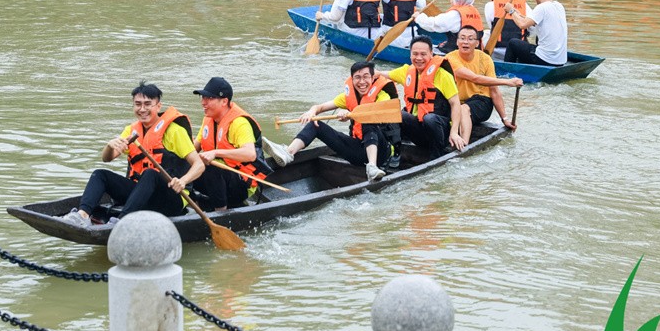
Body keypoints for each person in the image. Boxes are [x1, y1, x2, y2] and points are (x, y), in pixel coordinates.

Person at [63, 82, 203, 227]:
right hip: (140, 195)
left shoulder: (174, 131)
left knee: (150, 174)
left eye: (148, 104)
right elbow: (107, 158)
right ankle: (82, 215)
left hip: (172, 198)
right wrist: (110, 146)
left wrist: (184, 181)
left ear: (158, 106)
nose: (142, 109)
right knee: (100, 174)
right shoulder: (131, 131)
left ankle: (122, 221)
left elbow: (199, 165)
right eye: (138, 104)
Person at [264, 61, 401, 181]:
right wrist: (312, 111)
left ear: (372, 78)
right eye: (357, 78)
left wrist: (351, 114)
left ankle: (372, 167)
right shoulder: (348, 97)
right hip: (359, 150)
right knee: (316, 124)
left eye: (366, 77)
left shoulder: (383, 96)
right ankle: (288, 153)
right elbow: (320, 107)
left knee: (366, 119)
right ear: (352, 80)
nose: (362, 82)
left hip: (382, 152)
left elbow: (377, 114)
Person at [193, 77, 273, 211]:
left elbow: (250, 154)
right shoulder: (208, 120)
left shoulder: (239, 123)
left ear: (224, 101)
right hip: (217, 183)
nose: (203, 102)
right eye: (202, 98)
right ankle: (195, 204)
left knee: (213, 170)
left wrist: (215, 152)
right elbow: (193, 149)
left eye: (209, 98)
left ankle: (220, 213)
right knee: (180, 165)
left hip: (241, 184)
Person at [380, 36, 465, 158]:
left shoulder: (443, 75)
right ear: (410, 55)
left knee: (429, 119)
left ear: (431, 54)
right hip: (419, 132)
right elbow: (381, 74)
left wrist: (454, 132)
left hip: (440, 130)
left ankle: (437, 156)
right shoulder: (407, 72)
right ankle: (394, 154)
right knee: (398, 114)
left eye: (423, 54)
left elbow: (456, 104)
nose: (419, 58)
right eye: (415, 54)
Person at [443, 25, 523, 144]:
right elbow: (474, 78)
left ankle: (463, 145)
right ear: (457, 41)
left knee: (464, 109)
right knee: (456, 108)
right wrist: (508, 82)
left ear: (476, 43)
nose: (466, 42)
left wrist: (505, 119)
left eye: (470, 39)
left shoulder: (485, 59)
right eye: (462, 38)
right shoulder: (450, 58)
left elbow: (494, 91)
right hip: (456, 101)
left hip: (481, 101)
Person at [504, 0, 568, 66]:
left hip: (545, 59)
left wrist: (511, 10)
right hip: (560, 60)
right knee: (535, 41)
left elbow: (522, 24)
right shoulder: (559, 6)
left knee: (513, 43)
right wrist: (516, 13)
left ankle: (506, 75)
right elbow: (529, 21)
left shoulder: (541, 7)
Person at [414, 0, 484, 53]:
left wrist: (418, 17)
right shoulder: (472, 10)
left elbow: (433, 24)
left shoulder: (454, 15)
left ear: (458, 0)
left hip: (457, 52)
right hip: (476, 50)